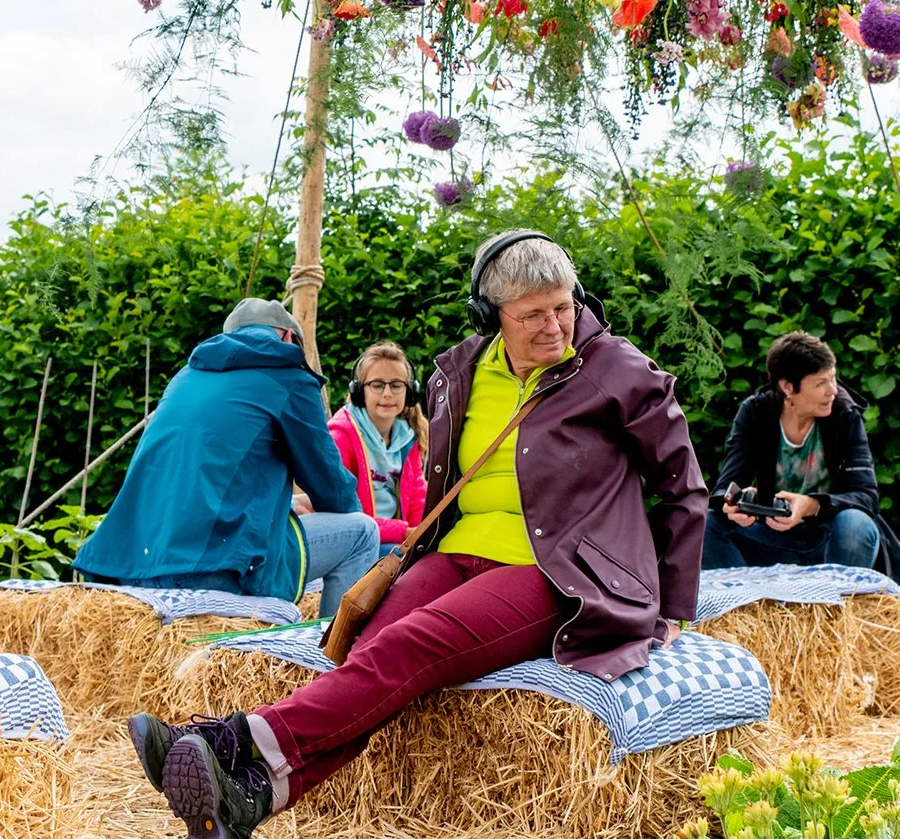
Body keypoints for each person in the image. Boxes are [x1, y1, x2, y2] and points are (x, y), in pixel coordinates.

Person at [126, 231, 708, 839]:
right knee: (370, 654)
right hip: (454, 554)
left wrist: (670, 606)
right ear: (491, 316)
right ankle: (251, 800)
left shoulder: (619, 370)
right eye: (532, 314)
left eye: (564, 307)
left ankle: (229, 737)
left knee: (412, 646)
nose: (555, 326)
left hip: (554, 571)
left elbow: (683, 487)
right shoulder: (459, 371)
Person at [74, 298, 379, 617]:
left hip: (134, 567)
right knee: (362, 533)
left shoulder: (185, 378)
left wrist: (286, 509)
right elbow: (330, 485)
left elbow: (205, 484)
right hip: (216, 565)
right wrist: (340, 513)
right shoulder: (288, 376)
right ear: (288, 338)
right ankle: (332, 663)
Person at [702, 331, 900, 597]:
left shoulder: (844, 415)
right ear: (788, 387)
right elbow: (726, 487)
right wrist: (735, 505)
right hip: (772, 538)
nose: (833, 390)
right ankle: (748, 610)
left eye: (832, 378)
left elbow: (867, 497)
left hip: (832, 541)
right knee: (705, 524)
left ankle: (838, 618)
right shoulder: (755, 412)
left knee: (855, 523)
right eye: (820, 383)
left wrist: (811, 506)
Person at [328, 343, 428, 551]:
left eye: (396, 385)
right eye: (377, 385)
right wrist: (402, 532)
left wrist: (420, 536)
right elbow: (341, 512)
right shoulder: (341, 437)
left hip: (395, 538)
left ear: (409, 391)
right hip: (356, 542)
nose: (387, 393)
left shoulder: (407, 439)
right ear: (358, 391)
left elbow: (418, 498)